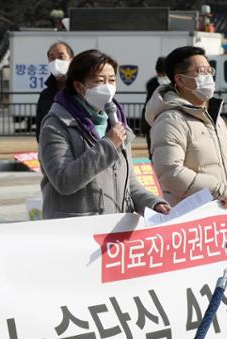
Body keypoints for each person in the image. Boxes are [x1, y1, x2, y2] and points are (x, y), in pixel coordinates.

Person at [39, 49, 169, 219]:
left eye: (112, 80)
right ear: (79, 86)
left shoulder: (116, 122)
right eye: (100, 81)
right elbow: (64, 181)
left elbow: (128, 182)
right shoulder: (56, 125)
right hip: (75, 230)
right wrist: (107, 145)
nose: (108, 87)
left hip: (114, 228)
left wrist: (153, 203)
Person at [146, 46, 227, 208]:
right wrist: (216, 189)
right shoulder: (171, 120)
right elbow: (170, 173)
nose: (208, 77)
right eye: (201, 71)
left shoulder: (214, 118)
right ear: (180, 80)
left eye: (210, 70)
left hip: (219, 210)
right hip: (191, 216)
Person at [35, 41, 74, 142]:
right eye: (52, 58)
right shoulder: (45, 95)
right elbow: (40, 128)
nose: (56, 61)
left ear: (71, 60)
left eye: (61, 57)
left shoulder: (81, 90)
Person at [140, 56, 169, 158]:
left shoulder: (176, 86)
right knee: (154, 155)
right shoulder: (153, 86)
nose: (163, 77)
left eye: (165, 74)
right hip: (153, 125)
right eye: (161, 74)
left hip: (166, 125)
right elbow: (148, 107)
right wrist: (145, 126)